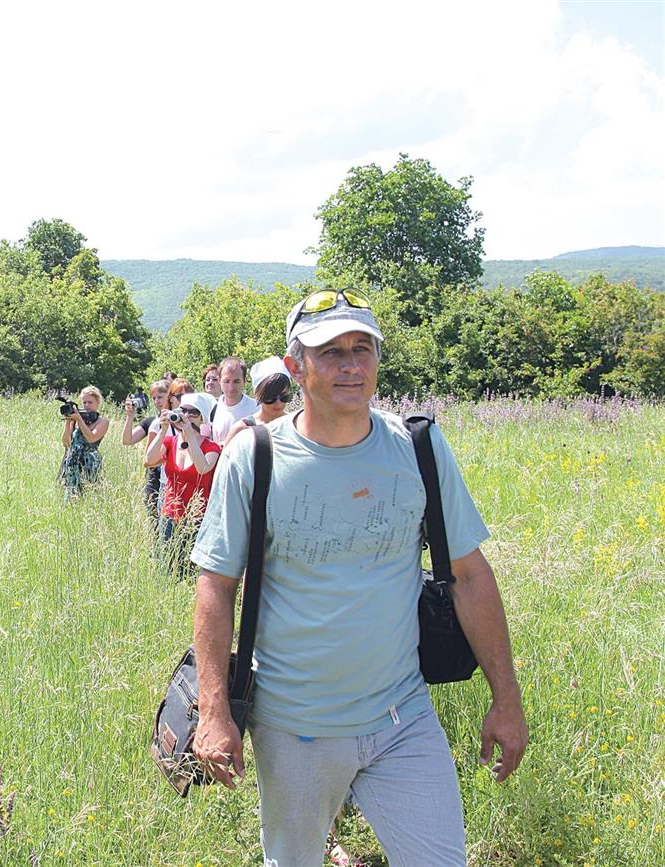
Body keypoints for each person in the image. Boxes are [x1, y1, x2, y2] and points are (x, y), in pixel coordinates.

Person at [189, 288, 527, 866]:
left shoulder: (418, 447)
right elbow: (216, 587)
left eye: (362, 349)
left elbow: (469, 575)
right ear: (296, 367)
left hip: (404, 718)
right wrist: (214, 712)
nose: (351, 365)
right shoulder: (256, 458)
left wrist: (507, 697)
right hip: (295, 728)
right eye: (331, 352)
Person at [144, 391, 221, 577]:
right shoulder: (170, 442)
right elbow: (149, 459)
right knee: (167, 568)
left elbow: (203, 468)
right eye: (182, 410)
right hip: (169, 514)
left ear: (202, 418)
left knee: (191, 571)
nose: (185, 416)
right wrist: (162, 429)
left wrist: (189, 435)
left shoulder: (212, 447)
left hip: (197, 518)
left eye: (192, 412)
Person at [122, 380, 171, 522]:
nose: (157, 401)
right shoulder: (151, 421)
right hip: (154, 475)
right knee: (154, 519)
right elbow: (127, 440)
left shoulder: (180, 422)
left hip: (172, 476)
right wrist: (130, 416)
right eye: (154, 398)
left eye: (160, 397)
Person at [218, 356, 293, 445]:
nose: (278, 403)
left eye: (284, 397)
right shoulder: (241, 429)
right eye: (270, 398)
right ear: (257, 394)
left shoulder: (297, 426)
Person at [58, 386, 110, 498]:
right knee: (70, 496)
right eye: (84, 402)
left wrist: (79, 420)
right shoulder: (77, 419)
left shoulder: (103, 421)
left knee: (89, 494)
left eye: (90, 402)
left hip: (90, 462)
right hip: (73, 461)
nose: (86, 405)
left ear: (97, 403)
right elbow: (65, 442)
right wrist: (68, 422)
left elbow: (91, 438)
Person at [210, 356, 258, 444]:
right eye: (226, 381)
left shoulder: (256, 409)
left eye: (236, 381)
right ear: (219, 380)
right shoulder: (212, 408)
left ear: (244, 380)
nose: (231, 387)